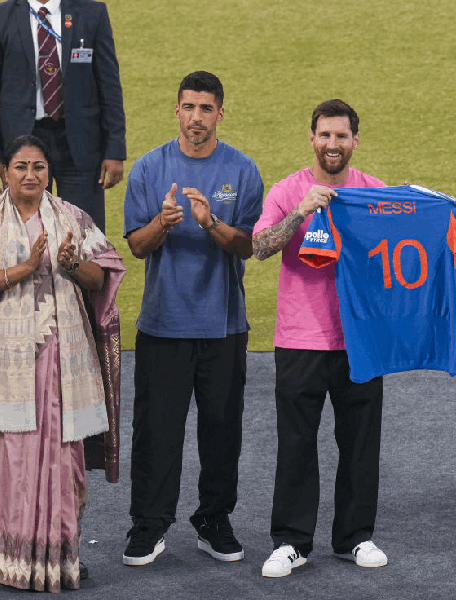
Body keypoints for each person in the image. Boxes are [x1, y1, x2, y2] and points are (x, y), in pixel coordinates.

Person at [121, 71, 263, 567]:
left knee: (223, 431)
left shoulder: (243, 171)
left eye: (206, 108)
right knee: (156, 431)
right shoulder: (147, 168)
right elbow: (136, 247)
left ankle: (213, 521)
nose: (196, 117)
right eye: (188, 107)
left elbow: (249, 246)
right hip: (163, 325)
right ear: (176, 110)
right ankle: (148, 525)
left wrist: (210, 224)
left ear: (220, 113)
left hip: (224, 327)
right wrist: (161, 224)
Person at [252, 99, 388, 578]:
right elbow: (260, 247)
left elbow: (402, 239)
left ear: (355, 141)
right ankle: (291, 541)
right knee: (296, 443)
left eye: (342, 136)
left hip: (360, 340)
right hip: (300, 338)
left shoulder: (374, 191)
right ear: (312, 138)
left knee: (360, 442)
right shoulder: (289, 190)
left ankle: (356, 537)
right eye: (325, 135)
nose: (333, 144)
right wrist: (301, 213)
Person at [0, 134, 124, 592]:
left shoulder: (71, 217)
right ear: (4, 172)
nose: (30, 174)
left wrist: (71, 263)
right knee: (13, 456)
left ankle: (61, 555)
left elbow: (103, 276)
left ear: (49, 172)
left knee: (64, 457)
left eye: (38, 166)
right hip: (9, 367)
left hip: (63, 363)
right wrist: (22, 270)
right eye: (20, 166)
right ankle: (13, 558)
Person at [0, 0, 126, 232]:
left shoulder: (92, 13)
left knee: (85, 234)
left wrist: (115, 149)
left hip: (81, 143)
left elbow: (109, 84)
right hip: (22, 144)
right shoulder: (3, 15)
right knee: (27, 234)